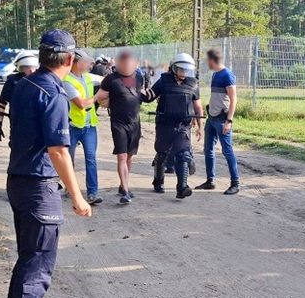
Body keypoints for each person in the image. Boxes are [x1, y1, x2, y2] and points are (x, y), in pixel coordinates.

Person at [4, 29, 92, 298]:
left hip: (19, 180)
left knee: (28, 256)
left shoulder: (24, 85)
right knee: (39, 259)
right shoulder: (53, 94)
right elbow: (58, 151)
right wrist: (78, 196)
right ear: (69, 59)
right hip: (39, 186)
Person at [142, 53, 204, 199]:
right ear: (174, 68)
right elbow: (149, 97)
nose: (184, 72)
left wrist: (200, 127)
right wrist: (136, 90)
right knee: (162, 153)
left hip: (183, 125)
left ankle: (182, 187)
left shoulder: (193, 84)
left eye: (186, 70)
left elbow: (198, 107)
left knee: (183, 154)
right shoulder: (164, 81)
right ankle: (158, 181)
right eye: (181, 69)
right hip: (164, 124)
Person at [94, 50, 145, 205]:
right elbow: (101, 99)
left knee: (129, 156)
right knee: (122, 156)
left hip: (135, 122)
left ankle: (124, 186)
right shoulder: (110, 79)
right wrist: (113, 103)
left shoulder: (138, 77)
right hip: (118, 122)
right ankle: (126, 190)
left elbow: (140, 94)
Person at [195, 49, 241, 195]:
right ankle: (210, 180)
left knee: (227, 151)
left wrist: (229, 121)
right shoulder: (215, 75)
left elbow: (234, 99)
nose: (206, 63)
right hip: (212, 118)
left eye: (207, 61)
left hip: (222, 119)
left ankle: (235, 183)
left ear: (212, 60)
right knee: (208, 150)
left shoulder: (227, 75)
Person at [62, 49, 103, 205]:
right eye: (86, 62)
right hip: (73, 126)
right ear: (77, 63)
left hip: (89, 126)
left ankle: (93, 193)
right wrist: (98, 97)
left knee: (91, 159)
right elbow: (80, 104)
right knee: (68, 159)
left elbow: (104, 80)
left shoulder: (87, 77)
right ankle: (70, 188)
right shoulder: (67, 81)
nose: (89, 65)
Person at [0, 52, 40, 141]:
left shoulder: (41, 80)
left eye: (33, 68)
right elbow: (2, 103)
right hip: (18, 121)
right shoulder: (12, 81)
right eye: (27, 67)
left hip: (35, 121)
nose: (31, 70)